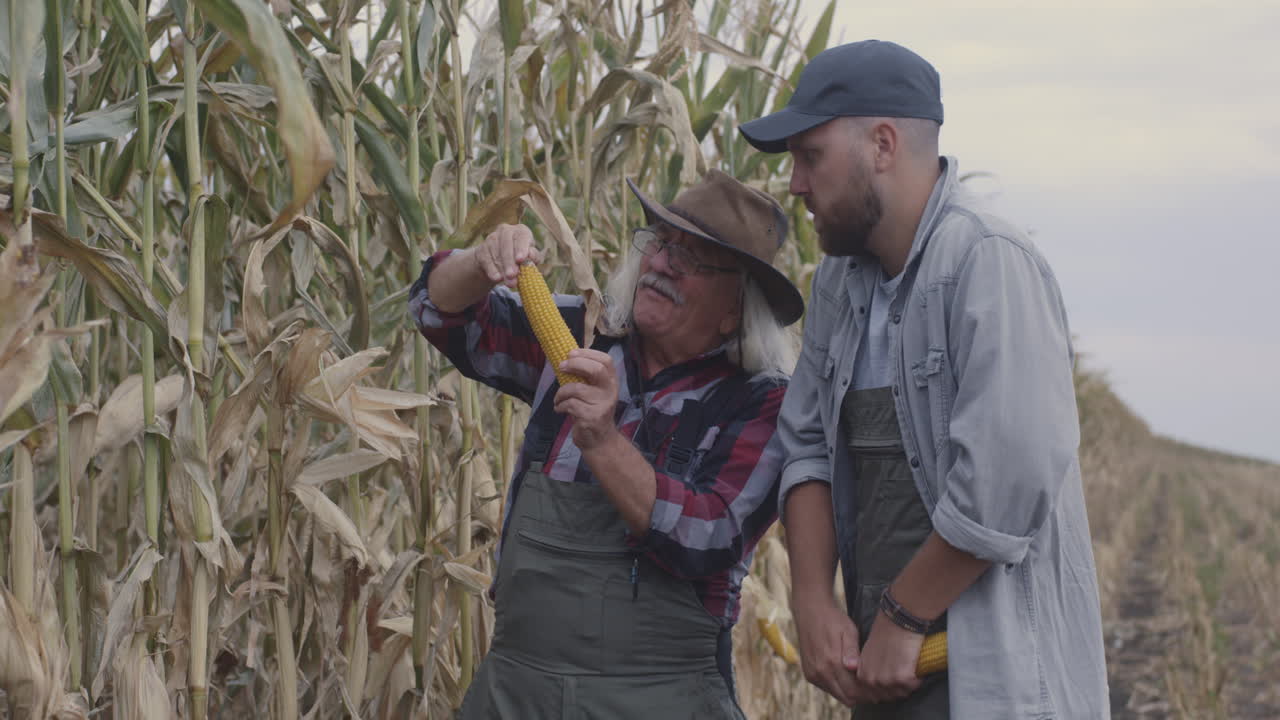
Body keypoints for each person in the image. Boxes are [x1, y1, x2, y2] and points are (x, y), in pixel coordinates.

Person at [738, 40, 1109, 718]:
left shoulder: (988, 262)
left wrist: (904, 616)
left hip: (991, 678)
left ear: (882, 144)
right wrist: (814, 601)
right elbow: (808, 448)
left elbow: (1005, 482)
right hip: (885, 677)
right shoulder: (837, 287)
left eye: (809, 156)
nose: (794, 183)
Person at [409, 170, 805, 719]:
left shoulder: (762, 402)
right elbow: (440, 314)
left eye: (691, 259)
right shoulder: (582, 333)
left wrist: (601, 437)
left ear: (735, 310)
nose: (662, 264)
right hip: (518, 687)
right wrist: (479, 264)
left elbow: (707, 535)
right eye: (661, 244)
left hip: (658, 694)